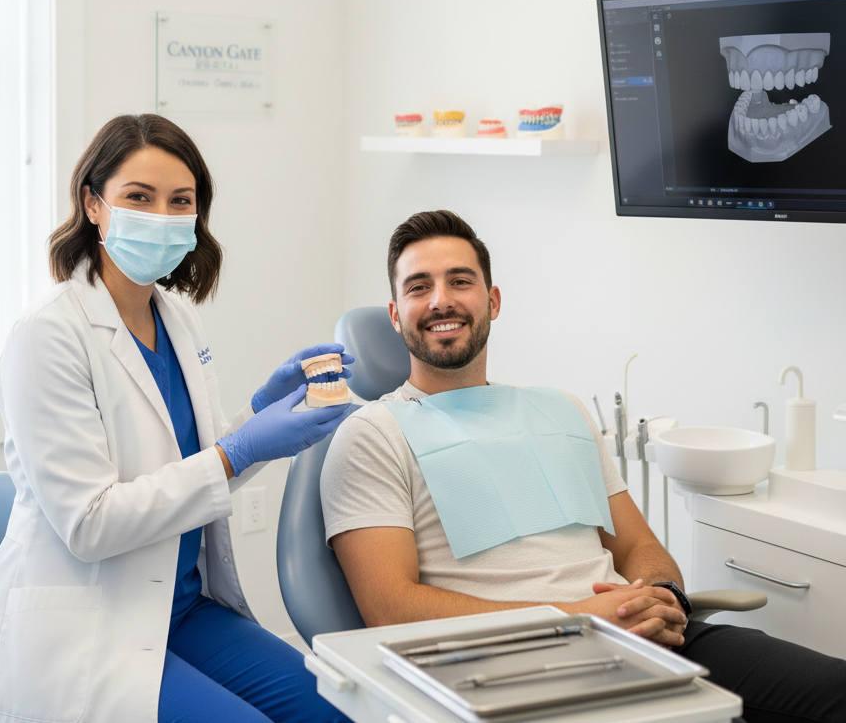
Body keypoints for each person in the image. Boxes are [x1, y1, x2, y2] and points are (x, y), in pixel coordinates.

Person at [320, 209, 845, 723]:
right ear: (395, 315)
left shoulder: (560, 410)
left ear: (493, 301)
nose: (441, 300)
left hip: (636, 639)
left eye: (460, 281)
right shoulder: (373, 433)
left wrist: (660, 598)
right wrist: (572, 620)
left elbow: (638, 547)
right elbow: (390, 608)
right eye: (418, 287)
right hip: (504, 664)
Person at [0, 113, 352, 723]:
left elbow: (187, 463)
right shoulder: (47, 335)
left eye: (180, 200)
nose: (161, 215)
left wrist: (259, 416)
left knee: (337, 707)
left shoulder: (175, 316)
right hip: (91, 621)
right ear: (93, 204)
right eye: (138, 197)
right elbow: (90, 525)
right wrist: (241, 448)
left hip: (177, 606)